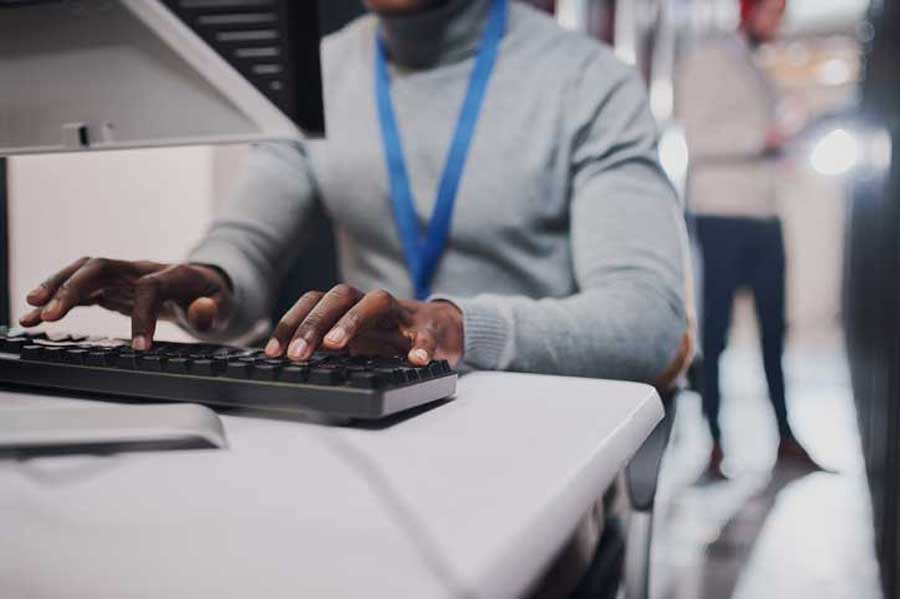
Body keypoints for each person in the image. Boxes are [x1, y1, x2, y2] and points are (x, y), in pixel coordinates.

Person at [21, 0, 689, 594]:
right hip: (373, 430)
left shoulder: (587, 81)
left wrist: (450, 327)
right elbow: (247, 246)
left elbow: (648, 316)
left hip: (533, 437)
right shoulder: (322, 72)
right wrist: (208, 285)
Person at [677, 0, 822, 479]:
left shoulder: (758, 70)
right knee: (715, 335)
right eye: (774, 12)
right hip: (720, 215)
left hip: (763, 214)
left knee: (774, 332)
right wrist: (765, 137)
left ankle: (784, 435)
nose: (779, 24)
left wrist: (779, 150)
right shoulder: (708, 59)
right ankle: (714, 445)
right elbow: (699, 139)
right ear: (750, 10)